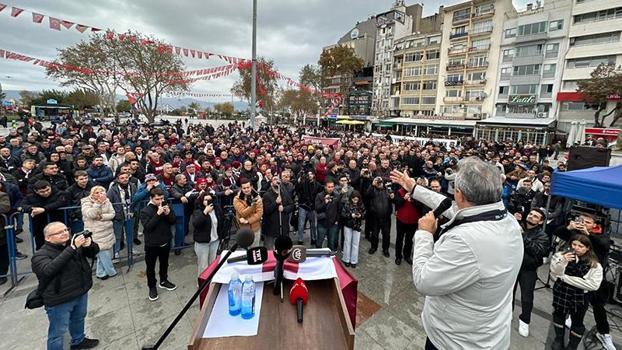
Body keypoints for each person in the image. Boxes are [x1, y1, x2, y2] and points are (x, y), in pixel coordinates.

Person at [390, 157, 523, 350]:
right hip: (485, 334)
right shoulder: (507, 219)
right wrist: (414, 188)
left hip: (456, 341)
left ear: (459, 194)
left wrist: (425, 235)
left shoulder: (465, 241)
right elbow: (452, 207)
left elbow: (424, 281)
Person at [31, 222, 100, 350]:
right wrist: (72, 248)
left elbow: (94, 252)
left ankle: (78, 341)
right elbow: (49, 270)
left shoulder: (72, 244)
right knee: (58, 333)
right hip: (59, 299)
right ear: (48, 237)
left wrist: (89, 245)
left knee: (79, 318)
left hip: (80, 291)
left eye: (65, 230)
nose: (64, 233)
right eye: (59, 232)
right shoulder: (40, 255)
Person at [554, 213, 615, 350]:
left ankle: (603, 333)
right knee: (569, 306)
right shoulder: (575, 234)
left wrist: (588, 234)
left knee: (598, 307)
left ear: (594, 225)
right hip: (574, 276)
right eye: (582, 221)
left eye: (588, 222)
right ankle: (564, 332)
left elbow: (604, 246)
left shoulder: (601, 235)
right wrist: (569, 227)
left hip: (594, 278)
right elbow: (557, 232)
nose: (584, 223)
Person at [550, 234, 603, 350]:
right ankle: (559, 338)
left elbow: (593, 285)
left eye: (581, 246)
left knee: (577, 321)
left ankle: (572, 345)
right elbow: (554, 274)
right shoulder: (560, 255)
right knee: (559, 315)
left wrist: (565, 278)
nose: (576, 248)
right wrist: (563, 261)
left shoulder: (595, 265)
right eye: (574, 244)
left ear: (587, 248)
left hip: (580, 297)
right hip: (561, 292)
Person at [512, 208, 549, 338]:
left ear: (541, 221)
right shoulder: (517, 225)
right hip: (513, 265)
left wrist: (521, 235)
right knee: (508, 293)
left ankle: (525, 320)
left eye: (536, 216)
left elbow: (537, 251)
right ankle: (507, 314)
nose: (532, 217)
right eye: (531, 214)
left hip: (528, 270)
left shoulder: (542, 236)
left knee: (527, 298)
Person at [140, 188, 177, 301]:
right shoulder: (145, 211)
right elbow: (148, 227)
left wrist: (168, 213)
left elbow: (173, 221)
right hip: (152, 244)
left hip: (165, 241)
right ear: (151, 198)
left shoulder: (166, 205)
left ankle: (163, 280)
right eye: (157, 199)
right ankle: (152, 287)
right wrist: (158, 214)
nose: (160, 201)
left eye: (162, 198)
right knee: (150, 267)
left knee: (164, 263)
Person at [81, 186, 117, 280]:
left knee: (104, 253)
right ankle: (111, 271)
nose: (99, 194)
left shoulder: (107, 201)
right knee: (102, 252)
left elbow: (112, 214)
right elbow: (90, 214)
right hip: (95, 232)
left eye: (102, 192)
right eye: (97, 192)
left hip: (107, 230)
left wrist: (101, 217)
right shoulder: (86, 202)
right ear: (92, 193)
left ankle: (100, 272)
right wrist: (98, 203)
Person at [191, 192, 222, 275]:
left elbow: (221, 224)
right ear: (201, 201)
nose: (208, 201)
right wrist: (205, 212)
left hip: (215, 241)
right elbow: (196, 224)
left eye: (209, 199)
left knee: (213, 264)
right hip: (202, 243)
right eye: (205, 200)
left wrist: (221, 237)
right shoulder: (198, 211)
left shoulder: (217, 209)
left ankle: (211, 283)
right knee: (203, 266)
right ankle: (202, 285)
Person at [262, 175, 295, 249]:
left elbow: (292, 205)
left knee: (283, 248)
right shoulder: (266, 195)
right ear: (271, 183)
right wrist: (275, 203)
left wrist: (284, 208)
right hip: (271, 228)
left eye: (278, 179)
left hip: (283, 227)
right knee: (269, 249)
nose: (276, 181)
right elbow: (267, 210)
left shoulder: (284, 193)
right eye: (274, 179)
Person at [363, 176, 392, 257]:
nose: (379, 184)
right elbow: (367, 196)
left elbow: (393, 199)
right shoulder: (373, 190)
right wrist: (372, 185)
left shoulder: (388, 190)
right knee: (374, 234)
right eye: (378, 182)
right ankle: (373, 247)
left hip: (386, 217)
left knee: (386, 235)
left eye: (380, 182)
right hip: (375, 217)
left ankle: (385, 249)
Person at [392, 186, 421, 265]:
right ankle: (398, 257)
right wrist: (404, 198)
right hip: (401, 220)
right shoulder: (400, 191)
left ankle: (407, 256)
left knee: (409, 240)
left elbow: (421, 207)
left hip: (413, 221)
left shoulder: (418, 193)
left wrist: (413, 200)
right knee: (399, 239)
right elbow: (397, 203)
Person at [233, 179, 263, 246]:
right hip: (244, 229)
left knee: (255, 248)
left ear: (251, 187)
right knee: (247, 250)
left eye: (248, 187)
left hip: (256, 228)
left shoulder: (257, 197)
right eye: (244, 188)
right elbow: (243, 213)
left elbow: (259, 213)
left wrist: (248, 221)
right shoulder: (236, 199)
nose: (246, 190)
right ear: (241, 188)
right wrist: (253, 205)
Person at [295, 170, 321, 246]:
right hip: (303, 205)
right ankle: (300, 239)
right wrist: (298, 182)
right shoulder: (303, 183)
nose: (309, 176)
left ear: (314, 175)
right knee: (301, 224)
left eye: (311, 174)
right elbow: (297, 190)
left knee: (313, 224)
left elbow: (320, 193)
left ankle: (314, 239)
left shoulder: (317, 184)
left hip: (313, 207)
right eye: (308, 174)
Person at [340, 191, 364, 268]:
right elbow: (343, 214)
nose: (355, 201)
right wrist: (351, 215)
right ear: (351, 198)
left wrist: (360, 215)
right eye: (354, 199)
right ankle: (346, 259)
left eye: (357, 200)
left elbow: (365, 214)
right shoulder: (347, 204)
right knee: (347, 242)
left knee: (355, 244)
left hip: (357, 226)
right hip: (348, 225)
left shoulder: (361, 205)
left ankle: (354, 261)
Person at [314, 180, 341, 251]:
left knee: (331, 243)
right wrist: (324, 202)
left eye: (332, 187)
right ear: (325, 187)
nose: (331, 188)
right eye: (329, 187)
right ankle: (318, 257)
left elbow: (339, 209)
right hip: (322, 222)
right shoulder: (319, 195)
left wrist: (337, 220)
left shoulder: (337, 196)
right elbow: (317, 209)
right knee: (319, 241)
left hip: (333, 223)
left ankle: (329, 258)